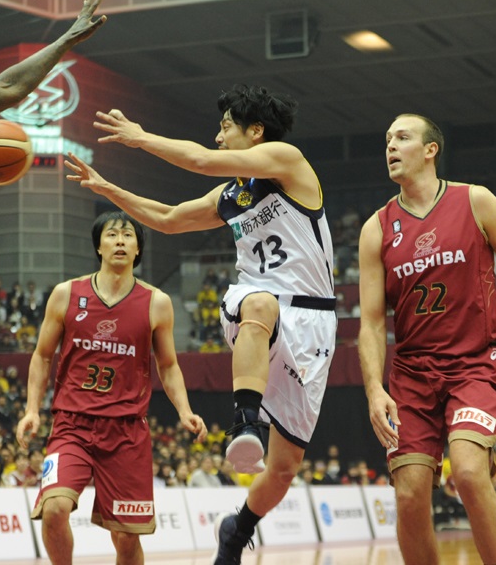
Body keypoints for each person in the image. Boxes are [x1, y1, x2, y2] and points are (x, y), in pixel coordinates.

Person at [64, 84, 336, 565]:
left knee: (284, 469)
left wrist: (140, 137)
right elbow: (168, 218)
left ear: (256, 131)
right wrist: (108, 190)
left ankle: (237, 529)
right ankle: (244, 424)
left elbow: (202, 161)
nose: (218, 136)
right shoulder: (231, 194)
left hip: (314, 322)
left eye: (226, 127)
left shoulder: (288, 162)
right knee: (259, 303)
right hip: (256, 305)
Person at [357, 113, 496, 565]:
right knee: (409, 494)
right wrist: (374, 389)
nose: (390, 146)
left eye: (402, 137)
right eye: (387, 139)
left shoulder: (475, 201)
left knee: (469, 473)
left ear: (431, 150)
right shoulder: (377, 227)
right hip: (412, 374)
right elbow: (371, 323)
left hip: (474, 363)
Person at [16, 211, 207, 565]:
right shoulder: (65, 294)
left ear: (138, 249)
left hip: (126, 431)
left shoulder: (157, 302)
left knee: (126, 538)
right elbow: (42, 356)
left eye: (128, 235)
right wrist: (31, 410)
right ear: (98, 246)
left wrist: (185, 410)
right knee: (54, 509)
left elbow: (167, 365)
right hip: (71, 424)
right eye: (112, 234)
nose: (120, 240)